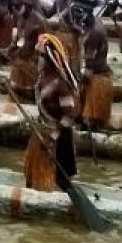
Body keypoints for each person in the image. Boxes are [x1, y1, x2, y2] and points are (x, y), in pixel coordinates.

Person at [24, 34, 79, 192]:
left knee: (59, 180)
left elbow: (70, 115)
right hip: (41, 132)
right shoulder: (42, 78)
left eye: (40, 56)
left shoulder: (61, 85)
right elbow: (33, 96)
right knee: (32, 177)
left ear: (49, 58)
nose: (37, 59)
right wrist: (12, 86)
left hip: (58, 139)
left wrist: (53, 137)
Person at [77, 0, 112, 130]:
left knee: (89, 123)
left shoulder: (94, 33)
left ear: (86, 13)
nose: (76, 16)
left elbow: (89, 68)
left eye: (78, 13)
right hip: (98, 75)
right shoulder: (94, 22)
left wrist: (78, 83)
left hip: (97, 80)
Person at [8, 0, 46, 101]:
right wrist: (9, 50)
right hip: (18, 62)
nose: (15, 7)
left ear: (27, 5)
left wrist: (38, 67)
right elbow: (17, 41)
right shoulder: (20, 18)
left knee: (26, 97)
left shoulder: (39, 22)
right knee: (13, 96)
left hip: (31, 66)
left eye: (18, 5)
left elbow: (43, 48)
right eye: (14, 5)